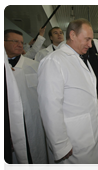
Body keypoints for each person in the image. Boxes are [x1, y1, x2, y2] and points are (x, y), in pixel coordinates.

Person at [37, 18, 98, 170]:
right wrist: (60, 145)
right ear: (73, 35)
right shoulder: (54, 61)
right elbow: (49, 107)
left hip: (90, 132)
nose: (90, 45)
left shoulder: (82, 59)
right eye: (87, 39)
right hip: (73, 140)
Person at [4, 29, 47, 170]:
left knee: (34, 155)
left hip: (32, 120)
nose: (19, 44)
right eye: (15, 41)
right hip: (9, 121)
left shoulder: (33, 65)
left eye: (21, 42)